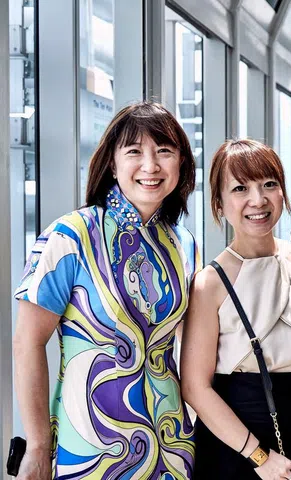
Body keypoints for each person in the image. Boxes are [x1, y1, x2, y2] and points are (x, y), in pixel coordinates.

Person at [12, 101, 198, 479]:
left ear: (181, 161)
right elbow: (27, 342)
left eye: (164, 151)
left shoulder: (183, 243)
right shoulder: (70, 236)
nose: (151, 165)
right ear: (112, 164)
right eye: (134, 152)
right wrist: (38, 446)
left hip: (172, 447)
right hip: (90, 448)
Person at [181, 139, 291, 480]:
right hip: (235, 448)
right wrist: (260, 458)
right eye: (240, 188)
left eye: (269, 184)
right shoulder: (210, 283)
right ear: (219, 203)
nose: (258, 200)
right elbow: (195, 387)